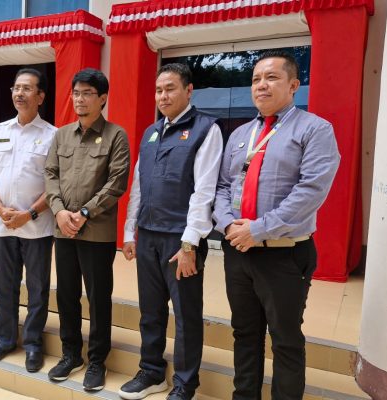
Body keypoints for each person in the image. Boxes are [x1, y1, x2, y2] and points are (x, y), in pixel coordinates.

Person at [213, 50, 340, 399]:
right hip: (238, 251)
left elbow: (310, 191)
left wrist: (257, 230)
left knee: (285, 339)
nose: (261, 85)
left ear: (294, 85)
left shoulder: (315, 129)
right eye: (256, 79)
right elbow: (223, 186)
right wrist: (228, 226)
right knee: (244, 333)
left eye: (271, 78)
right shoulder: (241, 134)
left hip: (283, 254)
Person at [118, 63, 223, 400]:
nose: (163, 96)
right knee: (150, 312)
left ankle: (185, 384)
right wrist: (130, 231)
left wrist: (190, 243)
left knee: (186, 316)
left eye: (170, 89)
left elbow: (204, 191)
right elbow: (138, 185)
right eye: (159, 90)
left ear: (189, 90)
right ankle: (151, 372)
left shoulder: (206, 129)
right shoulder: (152, 132)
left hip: (181, 240)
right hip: (148, 235)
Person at [44, 68, 130, 391]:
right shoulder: (61, 135)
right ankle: (71, 354)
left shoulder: (116, 135)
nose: (79, 99)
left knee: (98, 298)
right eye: (76, 93)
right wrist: (59, 211)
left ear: (102, 98)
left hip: (96, 232)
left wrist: (83, 213)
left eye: (87, 94)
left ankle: (96, 361)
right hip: (63, 230)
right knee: (66, 295)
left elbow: (116, 182)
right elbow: (50, 174)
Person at [0, 68, 57, 372]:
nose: (19, 93)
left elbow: (56, 184)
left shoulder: (52, 135)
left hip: (36, 226)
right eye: (16, 88)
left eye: (27, 88)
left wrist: (29, 213)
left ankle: (33, 344)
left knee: (37, 288)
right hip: (1, 225)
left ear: (41, 96)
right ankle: (5, 339)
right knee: (4, 285)